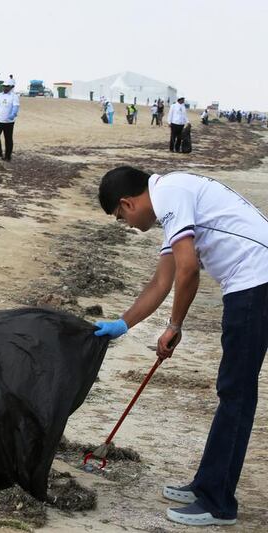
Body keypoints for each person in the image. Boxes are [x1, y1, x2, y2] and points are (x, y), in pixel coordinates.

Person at [94, 166, 268, 527]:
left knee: (235, 392)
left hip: (256, 280)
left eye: (119, 217)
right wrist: (122, 324)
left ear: (127, 203)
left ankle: (218, 503)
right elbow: (162, 281)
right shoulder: (170, 202)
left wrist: (174, 326)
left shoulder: (170, 195)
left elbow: (189, 270)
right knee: (233, 391)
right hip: (252, 280)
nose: (125, 225)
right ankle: (208, 484)